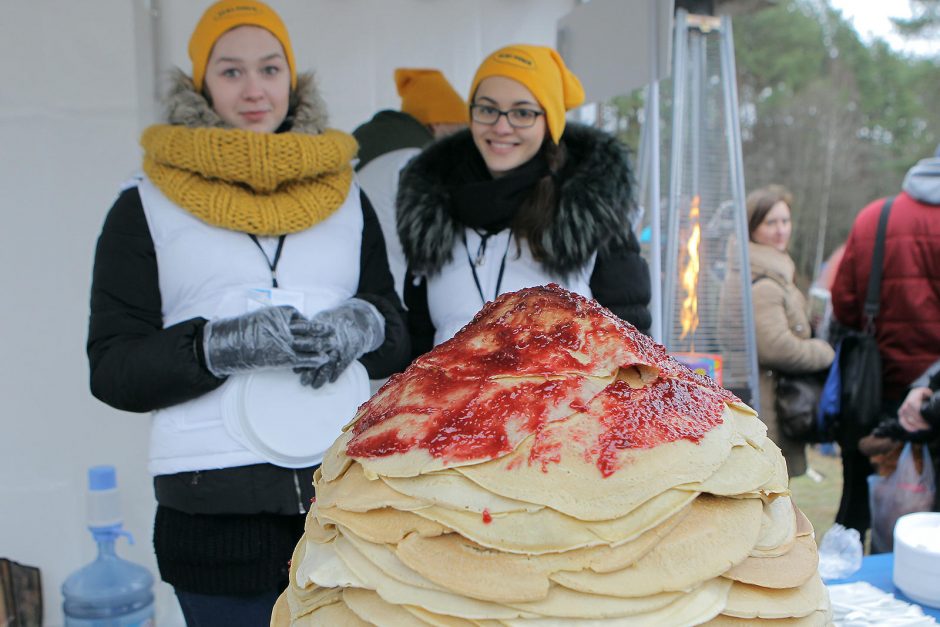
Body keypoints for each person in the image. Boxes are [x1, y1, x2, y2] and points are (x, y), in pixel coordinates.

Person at [86, 1, 409, 624]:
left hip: (345, 505)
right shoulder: (143, 205)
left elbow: (396, 333)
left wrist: (361, 326)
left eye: (270, 68)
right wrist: (213, 347)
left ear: (294, 79)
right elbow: (112, 368)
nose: (255, 89)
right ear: (202, 84)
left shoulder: (347, 198)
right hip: (213, 520)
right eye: (231, 72)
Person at [396, 44, 651, 355]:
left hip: (562, 404)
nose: (502, 127)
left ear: (550, 122)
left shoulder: (591, 215)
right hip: (448, 401)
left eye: (522, 113)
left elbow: (633, 351)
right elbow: (419, 342)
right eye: (488, 109)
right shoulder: (432, 213)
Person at [831, 144, 940, 533]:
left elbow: (843, 305)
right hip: (934, 401)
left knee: (856, 515)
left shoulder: (874, 218)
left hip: (871, 393)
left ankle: (843, 590)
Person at [740, 184, 835, 477]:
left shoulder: (773, 271)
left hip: (772, 398)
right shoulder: (764, 283)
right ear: (753, 227)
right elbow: (776, 348)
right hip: (767, 404)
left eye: (785, 221)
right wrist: (824, 352)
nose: (781, 230)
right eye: (771, 222)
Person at [353, 68, 468, 299]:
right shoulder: (416, 162)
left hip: (359, 281)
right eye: (459, 129)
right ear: (437, 125)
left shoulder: (367, 146)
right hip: (397, 291)